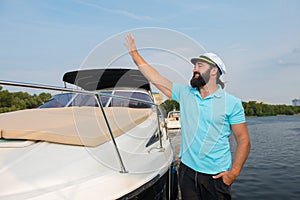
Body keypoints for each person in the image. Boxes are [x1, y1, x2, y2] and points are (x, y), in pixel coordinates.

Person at [125, 34, 251, 200]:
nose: (194, 69)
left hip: (216, 177)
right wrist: (134, 54)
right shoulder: (186, 94)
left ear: (214, 71)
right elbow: (155, 78)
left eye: (200, 65)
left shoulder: (231, 103)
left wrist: (233, 173)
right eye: (194, 66)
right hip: (187, 172)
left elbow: (243, 140)